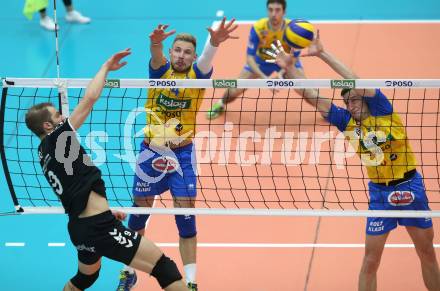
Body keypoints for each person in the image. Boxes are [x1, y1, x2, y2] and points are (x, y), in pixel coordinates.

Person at [268, 34, 440, 291]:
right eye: (347, 101)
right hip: (380, 194)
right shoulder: (346, 122)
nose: (351, 103)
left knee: (426, 252)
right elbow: (313, 97)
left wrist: (321, 54)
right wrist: (291, 70)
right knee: (370, 261)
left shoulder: (382, 109)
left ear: (365, 98)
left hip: (410, 188)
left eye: (355, 98)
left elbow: (356, 80)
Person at [25, 49, 187, 291]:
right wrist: (105, 67)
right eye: (58, 116)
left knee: (86, 278)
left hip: (80, 228)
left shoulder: (43, 154)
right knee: (165, 268)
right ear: (48, 125)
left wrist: (106, 210)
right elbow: (88, 101)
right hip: (99, 227)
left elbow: (75, 188)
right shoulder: (58, 137)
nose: (63, 118)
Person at [116, 18, 238, 291]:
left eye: (187, 52)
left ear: (193, 56)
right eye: (177, 50)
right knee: (138, 215)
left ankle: (192, 282)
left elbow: (207, 58)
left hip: (181, 157)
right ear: (171, 53)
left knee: (186, 218)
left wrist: (215, 42)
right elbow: (156, 55)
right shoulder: (160, 72)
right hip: (150, 154)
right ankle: (128, 272)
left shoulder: (198, 76)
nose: (181, 55)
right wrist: (156, 42)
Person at [206, 0, 303, 120]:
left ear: (284, 12)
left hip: (287, 62)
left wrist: (282, 74)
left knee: (307, 90)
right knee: (235, 90)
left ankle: (326, 111)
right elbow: (249, 58)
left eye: (277, 10)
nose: (273, 14)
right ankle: (221, 103)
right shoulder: (258, 27)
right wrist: (264, 78)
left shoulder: (292, 29)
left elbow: (295, 57)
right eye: (270, 10)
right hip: (261, 61)